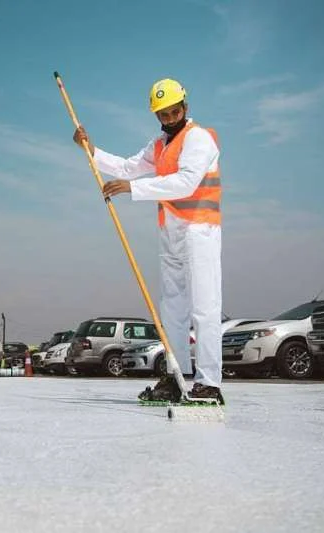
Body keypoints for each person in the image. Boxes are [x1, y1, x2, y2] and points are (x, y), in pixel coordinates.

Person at [72, 78, 224, 404]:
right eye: (163, 115)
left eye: (174, 112)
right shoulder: (160, 145)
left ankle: (209, 383)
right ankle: (176, 375)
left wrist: (133, 189)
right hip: (171, 234)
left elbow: (185, 183)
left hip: (200, 231)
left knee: (205, 309)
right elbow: (128, 167)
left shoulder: (199, 138)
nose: (169, 118)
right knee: (173, 312)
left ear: (185, 106)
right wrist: (90, 149)